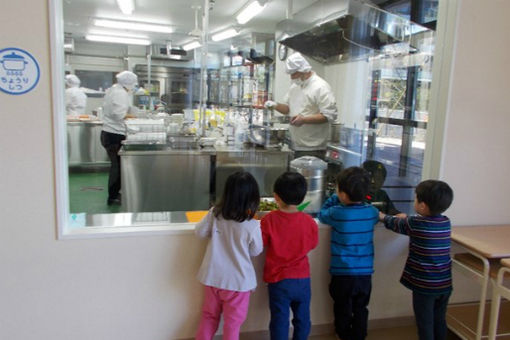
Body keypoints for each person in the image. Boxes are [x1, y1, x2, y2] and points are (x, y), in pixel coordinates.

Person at [379, 180, 454, 340]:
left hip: (425, 286)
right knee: (439, 319)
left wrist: (380, 215)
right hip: (444, 283)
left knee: (424, 323)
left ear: (422, 206)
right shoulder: (445, 222)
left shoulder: (416, 223)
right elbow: (412, 223)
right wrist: (406, 218)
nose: (414, 201)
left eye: (416, 198)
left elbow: (394, 223)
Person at [195, 171, 263, 340]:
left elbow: (199, 232)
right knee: (232, 324)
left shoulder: (215, 214)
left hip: (213, 278)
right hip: (238, 283)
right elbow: (256, 250)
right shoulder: (252, 225)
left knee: (209, 316)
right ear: (252, 198)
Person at [318, 167, 379, 340]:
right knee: (361, 308)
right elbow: (375, 214)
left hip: (343, 274)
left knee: (342, 308)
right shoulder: (371, 212)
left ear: (343, 194)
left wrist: (333, 198)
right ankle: (360, 336)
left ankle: (344, 336)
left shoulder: (337, 213)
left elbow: (322, 215)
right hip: (365, 274)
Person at [261, 171, 319, 340]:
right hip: (302, 279)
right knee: (303, 319)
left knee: (280, 320)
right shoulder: (309, 221)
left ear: (276, 197)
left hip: (278, 280)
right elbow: (313, 244)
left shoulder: (269, 220)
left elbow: (260, 244)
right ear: (303, 196)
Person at [264, 52, 338, 160]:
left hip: (312, 148)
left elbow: (329, 115)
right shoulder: (295, 87)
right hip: (294, 144)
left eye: (294, 74)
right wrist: (275, 105)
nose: (291, 77)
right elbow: (288, 109)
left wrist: (304, 120)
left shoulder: (320, 87)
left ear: (303, 70)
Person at [100, 70, 138, 205]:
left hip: (109, 133)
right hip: (114, 134)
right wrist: (135, 116)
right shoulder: (120, 93)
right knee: (117, 167)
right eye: (133, 83)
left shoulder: (114, 89)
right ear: (129, 82)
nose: (134, 86)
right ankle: (113, 197)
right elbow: (119, 114)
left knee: (117, 166)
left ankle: (116, 193)